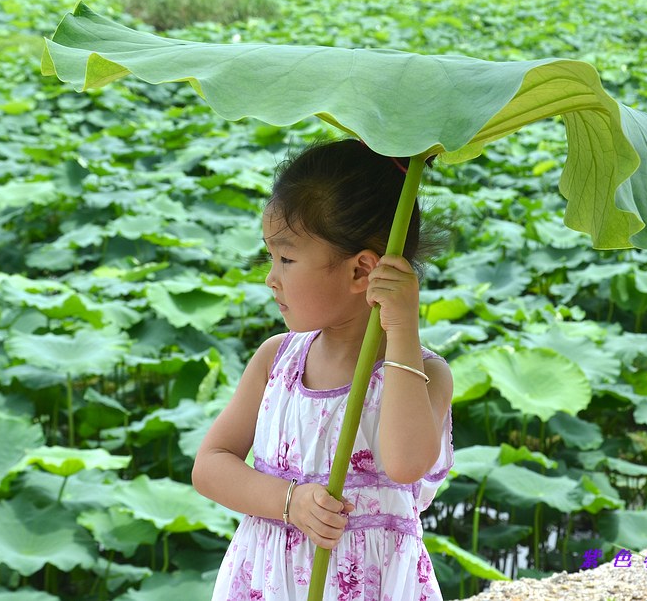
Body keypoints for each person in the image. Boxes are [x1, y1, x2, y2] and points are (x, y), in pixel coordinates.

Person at [192, 138, 454, 600]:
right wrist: (288, 502)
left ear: (361, 273)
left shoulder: (425, 374)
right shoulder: (276, 359)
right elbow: (210, 466)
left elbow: (406, 464)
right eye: (270, 257)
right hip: (271, 584)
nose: (271, 276)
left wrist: (403, 331)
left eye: (287, 259)